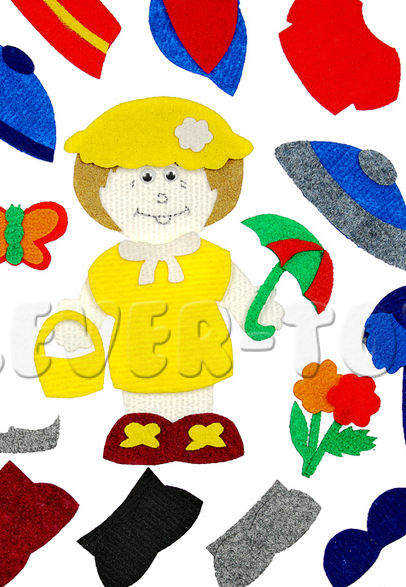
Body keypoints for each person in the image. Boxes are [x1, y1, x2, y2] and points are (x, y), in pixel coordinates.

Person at [54, 97, 282, 464]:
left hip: (199, 362)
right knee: (142, 420)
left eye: (174, 176)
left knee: (198, 413)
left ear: (215, 187)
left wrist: (259, 311)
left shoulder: (212, 260)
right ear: (101, 191)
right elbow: (88, 307)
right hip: (137, 366)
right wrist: (75, 325)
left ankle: (197, 431)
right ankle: (144, 433)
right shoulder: (110, 267)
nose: (161, 193)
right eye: (144, 177)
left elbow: (241, 299)